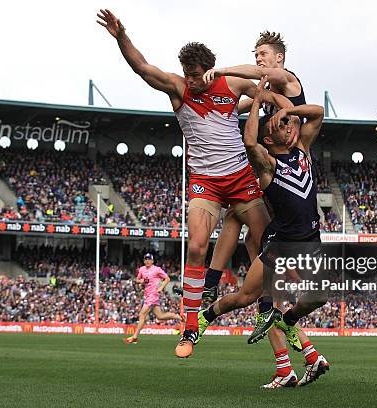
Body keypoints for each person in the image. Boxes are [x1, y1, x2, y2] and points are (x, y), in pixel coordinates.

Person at [96, 9, 293, 358]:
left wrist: (283, 112)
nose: (194, 81)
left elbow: (275, 92)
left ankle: (269, 308)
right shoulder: (179, 87)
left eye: (198, 75)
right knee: (198, 246)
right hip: (205, 182)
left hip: (241, 178)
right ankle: (190, 327)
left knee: (267, 246)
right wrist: (121, 36)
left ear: (210, 69)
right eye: (189, 75)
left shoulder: (231, 85)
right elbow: (143, 68)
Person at [201, 32, 328, 387]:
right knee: (235, 221)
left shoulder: (287, 80)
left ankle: (285, 359)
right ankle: (299, 358)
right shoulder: (268, 97)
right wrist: (212, 103)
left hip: (287, 182)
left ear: (279, 59)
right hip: (278, 191)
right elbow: (239, 102)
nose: (258, 60)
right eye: (255, 55)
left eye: (262, 55)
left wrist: (220, 70)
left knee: (263, 286)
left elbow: (263, 92)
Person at [125, 253, 182, 344]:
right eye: (146, 259)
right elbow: (137, 280)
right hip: (147, 295)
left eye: (149, 259)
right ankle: (177, 316)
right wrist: (141, 282)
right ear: (144, 260)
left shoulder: (156, 269)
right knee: (160, 316)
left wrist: (161, 288)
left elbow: (167, 279)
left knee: (142, 315)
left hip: (153, 295)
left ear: (152, 261)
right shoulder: (142, 269)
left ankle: (135, 336)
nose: (147, 261)